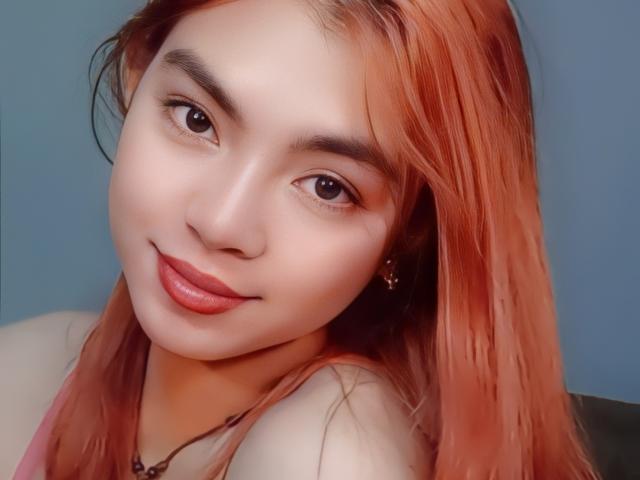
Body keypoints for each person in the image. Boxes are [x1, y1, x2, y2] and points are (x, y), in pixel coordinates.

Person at [3, 0, 601, 478]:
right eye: (196, 118)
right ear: (137, 74)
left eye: (327, 187)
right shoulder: (31, 366)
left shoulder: (326, 454)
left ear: (411, 233)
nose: (221, 223)